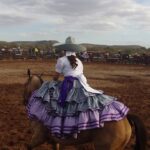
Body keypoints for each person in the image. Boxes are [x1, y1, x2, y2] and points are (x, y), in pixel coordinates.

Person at [27, 37, 129, 139]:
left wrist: (53, 81)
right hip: (81, 84)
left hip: (68, 84)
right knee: (81, 104)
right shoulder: (79, 61)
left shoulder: (61, 60)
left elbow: (56, 76)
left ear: (65, 49)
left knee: (59, 102)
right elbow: (78, 74)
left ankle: (61, 129)